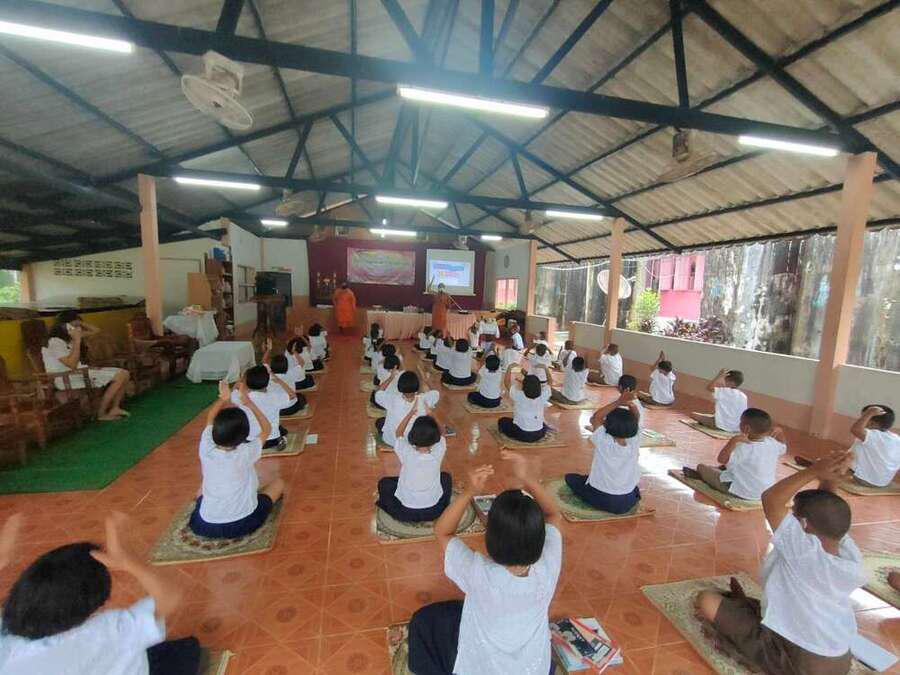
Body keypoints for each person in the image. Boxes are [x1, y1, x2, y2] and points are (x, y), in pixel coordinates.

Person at [696, 450, 864, 674]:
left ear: (803, 524)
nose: (788, 516)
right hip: (839, 658)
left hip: (801, 661)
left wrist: (814, 470)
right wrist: (829, 478)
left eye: (792, 513)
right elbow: (827, 508)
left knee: (707, 599)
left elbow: (771, 500)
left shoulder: (804, 553)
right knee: (751, 607)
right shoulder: (847, 552)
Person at [407, 451, 563, 675]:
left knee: (424, 620)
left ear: (491, 538)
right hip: (533, 669)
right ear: (540, 537)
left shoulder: (477, 571)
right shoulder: (549, 562)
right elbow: (554, 515)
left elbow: (442, 531)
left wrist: (469, 492)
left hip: (481, 668)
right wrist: (528, 479)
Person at [0, 512, 201, 674]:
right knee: (186, 650)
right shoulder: (106, 631)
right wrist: (130, 561)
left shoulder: (7, 642)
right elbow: (169, 596)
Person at [190, 381, 285, 538]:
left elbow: (210, 417)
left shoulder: (206, 447)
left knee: (202, 489)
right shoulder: (245, 451)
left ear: (215, 431)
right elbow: (266, 429)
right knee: (278, 484)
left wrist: (223, 399)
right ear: (244, 436)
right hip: (243, 523)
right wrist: (249, 403)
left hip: (205, 525)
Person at [41, 310, 132, 421]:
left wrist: (79, 323)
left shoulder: (69, 337)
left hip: (79, 372)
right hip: (66, 377)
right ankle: (101, 414)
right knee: (120, 376)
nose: (77, 329)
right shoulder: (55, 342)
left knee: (125, 374)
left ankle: (115, 408)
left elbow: (96, 330)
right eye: (73, 326)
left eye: (77, 326)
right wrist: (77, 340)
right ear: (64, 326)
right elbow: (72, 365)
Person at [684, 409, 787, 500]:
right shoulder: (772, 443)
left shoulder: (744, 446)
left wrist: (732, 441)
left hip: (740, 491)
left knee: (702, 467)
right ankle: (716, 472)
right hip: (765, 492)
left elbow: (721, 459)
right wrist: (781, 433)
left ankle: (704, 478)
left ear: (746, 428)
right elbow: (784, 447)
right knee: (726, 467)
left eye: (740, 422)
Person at [376, 406, 451, 522]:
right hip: (434, 511)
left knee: (384, 483)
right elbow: (443, 433)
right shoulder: (438, 451)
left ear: (412, 434)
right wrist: (432, 414)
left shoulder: (406, 451)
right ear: (435, 437)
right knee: (446, 477)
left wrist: (410, 413)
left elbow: (398, 433)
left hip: (406, 512)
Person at [566, 406, 642, 514]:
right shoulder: (634, 441)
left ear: (607, 426)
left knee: (571, 478)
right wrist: (631, 404)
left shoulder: (603, 441)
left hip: (604, 499)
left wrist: (619, 401)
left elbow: (596, 417)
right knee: (631, 488)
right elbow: (636, 416)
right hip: (627, 501)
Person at [231, 364, 296, 451]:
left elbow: (233, 391)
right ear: (267, 381)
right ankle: (280, 440)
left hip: (250, 441)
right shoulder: (274, 397)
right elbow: (293, 396)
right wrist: (278, 380)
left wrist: (241, 381)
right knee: (281, 429)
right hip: (272, 440)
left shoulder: (240, 397)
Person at [374, 371, 440, 449]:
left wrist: (391, 377)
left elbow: (378, 393)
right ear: (417, 386)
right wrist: (426, 380)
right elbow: (436, 393)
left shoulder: (392, 399)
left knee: (380, 422)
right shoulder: (424, 399)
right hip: (415, 440)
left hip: (392, 441)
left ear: (399, 386)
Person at [847, 405, 899, 488]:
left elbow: (855, 429)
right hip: (882, 482)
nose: (860, 420)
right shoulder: (896, 438)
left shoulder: (874, 435)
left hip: (863, 479)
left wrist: (869, 413)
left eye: (863, 418)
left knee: (831, 464)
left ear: (872, 423)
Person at [498, 367, 551, 443]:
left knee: (502, 421)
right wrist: (545, 368)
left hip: (522, 434)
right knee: (542, 424)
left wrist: (509, 368)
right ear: (539, 387)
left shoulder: (519, 395)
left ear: (524, 386)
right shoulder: (543, 395)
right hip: (539, 434)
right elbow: (550, 382)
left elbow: (507, 383)